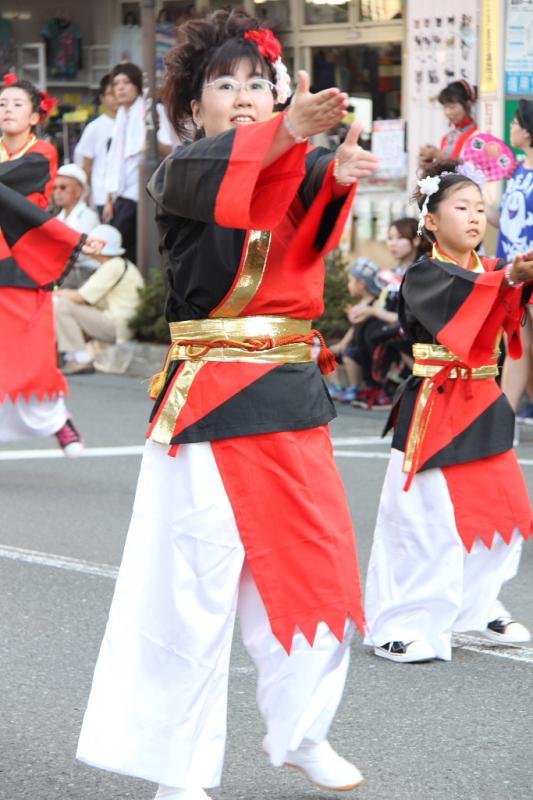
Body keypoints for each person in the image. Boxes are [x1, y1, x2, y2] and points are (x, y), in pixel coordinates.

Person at [77, 11, 379, 800]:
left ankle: (304, 730)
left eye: (259, 85)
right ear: (192, 106)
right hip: (210, 399)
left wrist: (338, 177)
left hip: (289, 397)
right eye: (225, 85)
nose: (243, 98)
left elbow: (304, 230)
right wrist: (285, 136)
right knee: (193, 588)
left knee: (317, 567)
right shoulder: (178, 174)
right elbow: (235, 187)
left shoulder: (294, 167)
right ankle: (177, 771)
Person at [364, 158, 533, 664]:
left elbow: (502, 309)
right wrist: (508, 279)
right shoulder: (424, 274)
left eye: (481, 208)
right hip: (435, 405)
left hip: (482, 400)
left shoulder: (487, 272)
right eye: (461, 207)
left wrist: (517, 281)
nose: (475, 216)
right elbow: (467, 306)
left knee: (502, 510)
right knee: (425, 520)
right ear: (431, 220)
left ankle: (475, 607)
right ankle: (398, 622)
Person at [0, 74, 103, 456]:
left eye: (16, 104)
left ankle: (58, 421)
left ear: (33, 115)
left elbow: (9, 183)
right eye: (2, 104)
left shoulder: (42, 153)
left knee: (29, 355)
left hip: (25, 262)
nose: (7, 110)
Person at [347, 219, 425, 410]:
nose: (392, 243)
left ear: (416, 240)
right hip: (396, 323)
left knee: (382, 332)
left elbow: (411, 316)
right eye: (390, 238)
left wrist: (373, 311)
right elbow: (382, 307)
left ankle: (390, 385)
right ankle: (373, 386)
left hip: (416, 326)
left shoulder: (422, 269)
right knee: (366, 326)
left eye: (399, 238)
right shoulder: (391, 273)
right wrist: (364, 312)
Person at [54, 224, 145, 374]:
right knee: (65, 303)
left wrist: (56, 294)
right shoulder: (117, 264)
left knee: (63, 305)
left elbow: (80, 297)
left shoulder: (112, 266)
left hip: (117, 326)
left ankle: (80, 359)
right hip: (122, 324)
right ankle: (77, 355)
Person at [491, 100, 533, 419]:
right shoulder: (518, 169)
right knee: (517, 346)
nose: (511, 127)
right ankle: (504, 419)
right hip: (514, 271)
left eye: (516, 123)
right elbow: (505, 219)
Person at [103, 62, 145, 263]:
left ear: (137, 85)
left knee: (124, 248)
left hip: (140, 193)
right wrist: (109, 199)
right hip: (121, 193)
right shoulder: (121, 117)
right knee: (124, 248)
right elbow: (113, 160)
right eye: (116, 84)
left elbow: (168, 146)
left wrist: (148, 143)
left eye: (126, 82)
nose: (120, 88)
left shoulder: (150, 110)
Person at [327, 258, 383, 403]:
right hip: (355, 345)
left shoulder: (375, 303)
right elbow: (354, 328)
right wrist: (343, 343)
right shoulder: (360, 304)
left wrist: (345, 345)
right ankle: (336, 386)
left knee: (349, 355)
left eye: (351, 281)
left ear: (361, 284)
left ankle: (355, 388)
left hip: (366, 350)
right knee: (327, 355)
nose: (348, 285)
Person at [74, 73, 118, 219]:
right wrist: (85, 195)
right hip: (102, 196)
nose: (117, 96)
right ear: (102, 98)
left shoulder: (132, 124)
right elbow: (86, 165)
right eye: (111, 93)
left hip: (126, 195)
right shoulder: (95, 127)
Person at [54, 163, 100, 289]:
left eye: (63, 187)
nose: (57, 192)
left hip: (84, 273)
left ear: (79, 191)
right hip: (63, 270)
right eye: (55, 187)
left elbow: (79, 254)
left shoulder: (88, 216)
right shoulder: (58, 218)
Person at [419, 80, 478, 171]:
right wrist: (429, 164)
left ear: (468, 104)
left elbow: (470, 167)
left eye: (452, 107)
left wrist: (439, 155)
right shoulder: (447, 137)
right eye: (445, 107)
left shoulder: (477, 134)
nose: (448, 112)